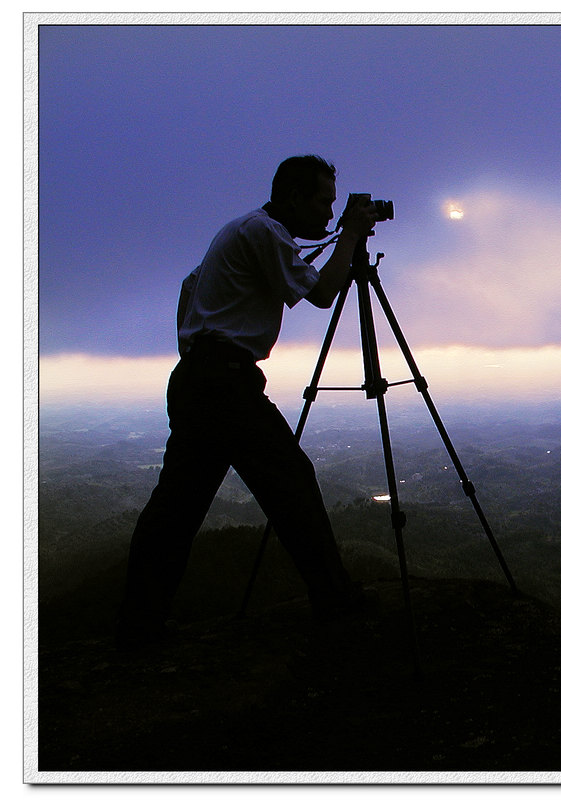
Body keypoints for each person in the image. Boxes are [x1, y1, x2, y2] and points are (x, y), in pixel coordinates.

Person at [116, 155, 378, 650]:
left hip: (200, 378)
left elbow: (189, 286)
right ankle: (335, 597)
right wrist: (350, 237)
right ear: (293, 197)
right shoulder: (265, 232)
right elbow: (322, 293)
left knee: (175, 508)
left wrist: (196, 347)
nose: (329, 212)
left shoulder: (240, 230)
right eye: (323, 201)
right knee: (291, 483)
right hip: (225, 383)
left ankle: (139, 624)